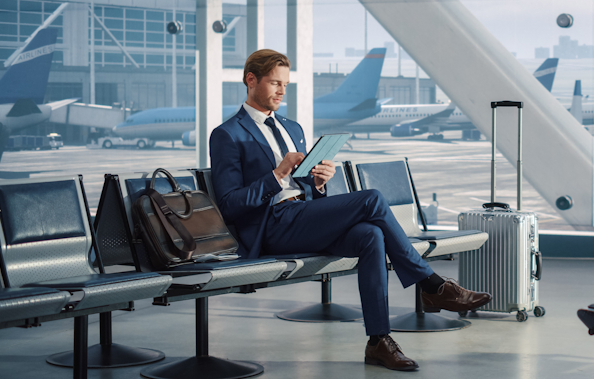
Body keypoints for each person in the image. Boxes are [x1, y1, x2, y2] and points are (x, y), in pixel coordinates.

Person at [210, 49, 490, 371]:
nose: (282, 91)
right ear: (250, 80)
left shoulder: (292, 128)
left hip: (302, 218)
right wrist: (277, 175)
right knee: (370, 199)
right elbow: (230, 205)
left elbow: (305, 191)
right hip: (271, 227)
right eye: (275, 83)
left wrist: (318, 183)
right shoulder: (227, 135)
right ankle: (432, 285)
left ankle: (379, 342)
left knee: (370, 235)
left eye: (285, 84)